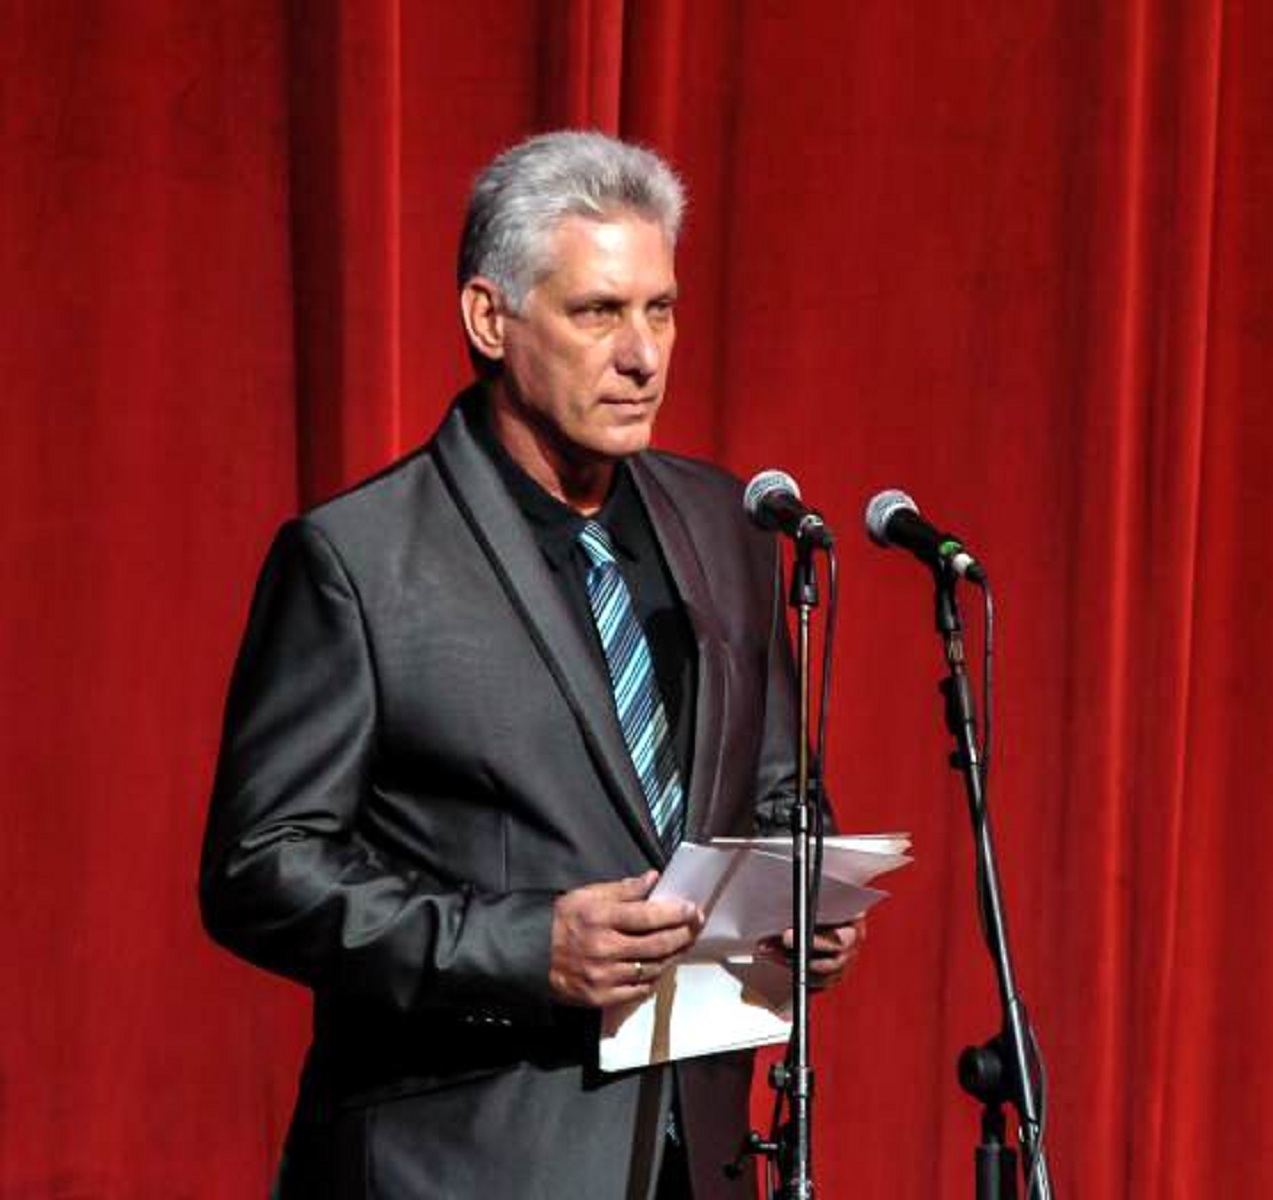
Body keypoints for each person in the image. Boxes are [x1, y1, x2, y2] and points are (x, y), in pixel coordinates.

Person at [200, 130, 862, 1200]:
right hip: (462, 1161)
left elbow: (778, 788)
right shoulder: (358, 560)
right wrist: (522, 948)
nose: (643, 355)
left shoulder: (725, 523)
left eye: (660, 309)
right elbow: (259, 870)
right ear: (489, 319)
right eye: (598, 312)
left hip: (697, 1158)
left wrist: (803, 897)